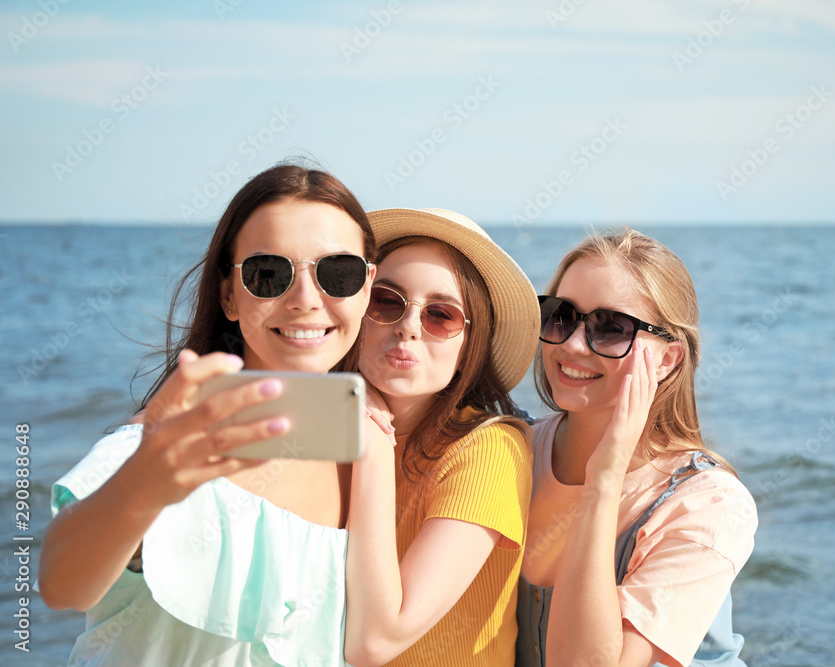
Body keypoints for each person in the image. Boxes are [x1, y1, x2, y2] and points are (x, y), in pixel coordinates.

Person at [38, 163, 378, 665]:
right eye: (269, 274)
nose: (306, 300)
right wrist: (144, 483)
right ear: (228, 295)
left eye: (339, 273)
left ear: (367, 286)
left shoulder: (365, 452)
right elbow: (62, 585)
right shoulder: (165, 446)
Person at [516, 228, 758, 667]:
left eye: (610, 328)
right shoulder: (512, 451)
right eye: (561, 316)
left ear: (667, 359)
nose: (572, 344)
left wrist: (603, 481)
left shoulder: (706, 504)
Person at [344, 208, 540, 667]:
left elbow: (375, 642)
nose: (408, 326)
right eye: (386, 301)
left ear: (469, 343)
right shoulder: (323, 426)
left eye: (441, 315)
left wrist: (372, 445)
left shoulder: (489, 450)